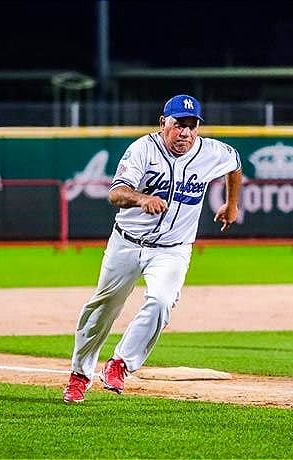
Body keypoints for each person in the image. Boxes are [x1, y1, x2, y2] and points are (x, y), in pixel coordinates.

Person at [62, 94, 242, 402]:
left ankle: (120, 364)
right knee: (103, 309)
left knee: (161, 301)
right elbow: (115, 194)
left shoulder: (211, 151)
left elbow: (235, 164)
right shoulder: (143, 150)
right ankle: (80, 374)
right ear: (163, 123)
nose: (185, 132)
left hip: (173, 248)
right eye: (178, 125)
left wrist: (231, 204)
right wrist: (141, 198)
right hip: (127, 243)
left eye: (191, 125)